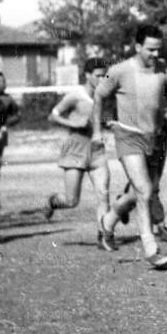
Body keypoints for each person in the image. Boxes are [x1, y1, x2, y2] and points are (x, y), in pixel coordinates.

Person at [92, 24, 167, 269]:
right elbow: (100, 95)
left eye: (158, 50)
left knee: (140, 192)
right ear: (138, 46)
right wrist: (97, 131)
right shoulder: (119, 70)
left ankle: (108, 222)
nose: (155, 54)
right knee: (144, 190)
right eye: (150, 50)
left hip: (155, 137)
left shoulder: (165, 70)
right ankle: (151, 248)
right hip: (127, 135)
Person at [43, 58, 111, 240]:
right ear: (87, 75)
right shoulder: (75, 96)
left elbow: (98, 120)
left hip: (97, 150)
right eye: (98, 76)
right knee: (71, 201)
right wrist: (72, 123)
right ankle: (53, 202)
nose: (102, 79)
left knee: (103, 193)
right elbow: (52, 116)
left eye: (104, 75)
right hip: (75, 150)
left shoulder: (103, 95)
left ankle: (104, 235)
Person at [0, 72, 22, 212]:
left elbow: (17, 115)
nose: (4, 83)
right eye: (1, 81)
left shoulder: (7, 100)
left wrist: (5, 125)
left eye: (4, 80)